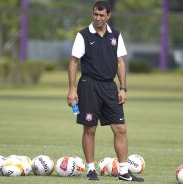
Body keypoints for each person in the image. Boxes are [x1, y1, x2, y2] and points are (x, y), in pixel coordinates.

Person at [67, 1, 144, 182]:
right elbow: (73, 62)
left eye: (102, 15)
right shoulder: (83, 35)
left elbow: (120, 62)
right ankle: (90, 170)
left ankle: (124, 172)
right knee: (90, 129)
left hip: (110, 87)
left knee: (120, 129)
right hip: (88, 85)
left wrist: (123, 88)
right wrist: (72, 89)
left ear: (109, 15)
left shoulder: (115, 35)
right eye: (95, 14)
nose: (98, 18)